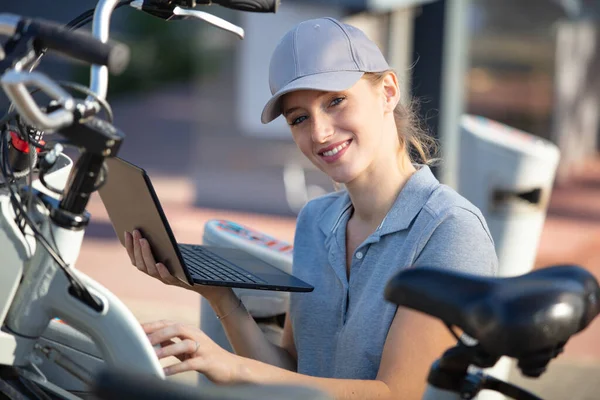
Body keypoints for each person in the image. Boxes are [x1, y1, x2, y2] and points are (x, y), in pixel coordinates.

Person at [125, 17, 498, 399]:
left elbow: (398, 393)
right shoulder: (316, 221)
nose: (319, 132)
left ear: (387, 92)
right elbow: (294, 376)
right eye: (299, 118)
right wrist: (219, 295)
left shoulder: (450, 229)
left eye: (335, 101)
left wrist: (230, 364)